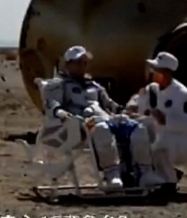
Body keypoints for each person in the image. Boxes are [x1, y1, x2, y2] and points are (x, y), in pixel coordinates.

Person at [42, 46, 164, 189]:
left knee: (138, 128)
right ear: (68, 64)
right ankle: (111, 174)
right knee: (101, 129)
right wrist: (61, 113)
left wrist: (125, 111)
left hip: (105, 118)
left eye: (84, 62)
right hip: (80, 125)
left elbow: (110, 104)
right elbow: (52, 104)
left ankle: (144, 173)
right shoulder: (58, 84)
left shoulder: (94, 86)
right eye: (78, 62)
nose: (82, 66)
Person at [136, 51, 187, 193]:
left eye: (157, 70)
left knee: (161, 144)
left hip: (182, 142)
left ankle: (169, 182)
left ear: (167, 73)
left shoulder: (182, 94)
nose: (153, 73)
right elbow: (139, 108)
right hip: (156, 134)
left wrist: (166, 120)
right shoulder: (151, 90)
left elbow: (186, 125)